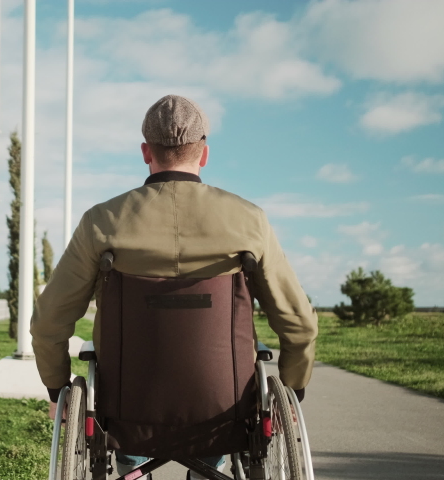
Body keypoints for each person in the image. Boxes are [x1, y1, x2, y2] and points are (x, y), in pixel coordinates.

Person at [31, 94, 318, 479]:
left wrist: (56, 390)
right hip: (224, 414)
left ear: (145, 151)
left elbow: (49, 322)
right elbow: (299, 324)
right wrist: (293, 389)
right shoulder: (249, 220)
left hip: (127, 413)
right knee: (220, 429)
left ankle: (134, 468)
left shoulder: (101, 222)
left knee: (124, 425)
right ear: (204, 155)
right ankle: (208, 469)